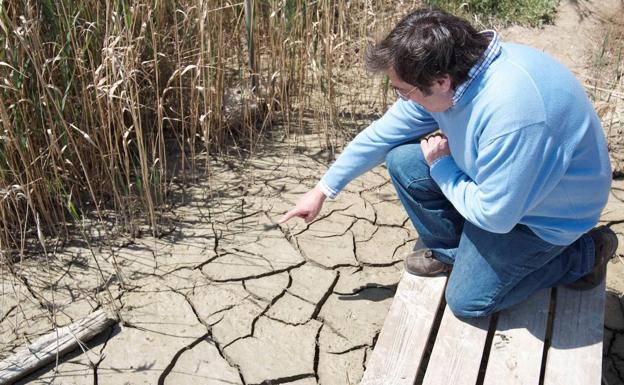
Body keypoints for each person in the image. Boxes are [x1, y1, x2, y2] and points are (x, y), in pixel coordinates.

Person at [278, 7, 617, 318]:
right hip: (502, 187)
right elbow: (383, 135)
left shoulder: (514, 113)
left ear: (440, 82)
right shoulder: (456, 75)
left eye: (403, 91)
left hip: (546, 218)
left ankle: (586, 253)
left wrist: (443, 169)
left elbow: (496, 217)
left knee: (468, 301)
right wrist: (323, 189)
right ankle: (459, 254)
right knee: (404, 161)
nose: (401, 97)